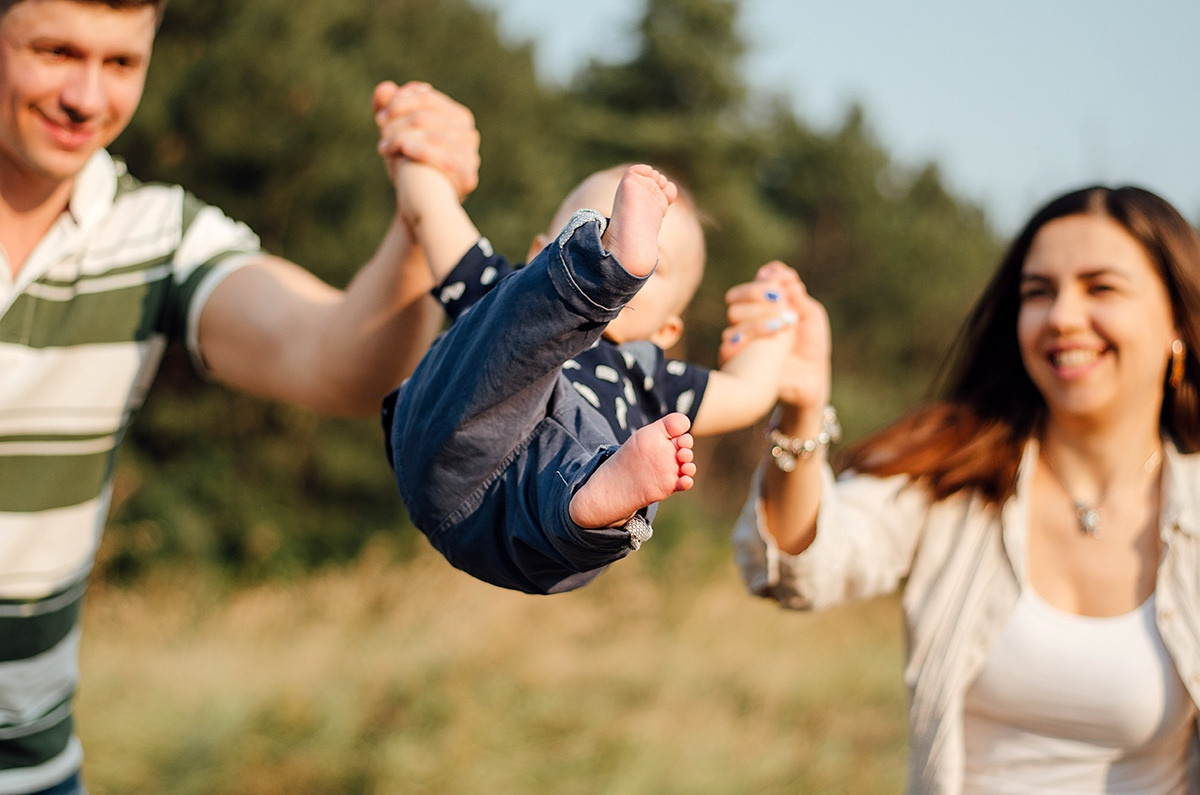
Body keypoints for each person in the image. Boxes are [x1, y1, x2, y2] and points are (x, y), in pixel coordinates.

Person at [0, 0, 481, 792]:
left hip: (37, 773)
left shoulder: (155, 237)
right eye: (55, 52)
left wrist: (415, 222)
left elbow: (337, 360)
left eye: (121, 63)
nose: (87, 97)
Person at [730, 184, 1200, 792]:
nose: (1062, 316)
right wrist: (801, 411)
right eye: (1039, 292)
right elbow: (797, 566)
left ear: (1177, 322)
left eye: (1101, 287)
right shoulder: (950, 471)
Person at [383, 159, 798, 595]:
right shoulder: (501, 290)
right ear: (538, 251)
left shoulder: (653, 378)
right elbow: (434, 212)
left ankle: (600, 498)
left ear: (666, 330)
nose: (610, 236)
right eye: (598, 227)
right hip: (454, 436)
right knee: (511, 322)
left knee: (589, 460)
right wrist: (413, 159)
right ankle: (581, 281)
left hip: (535, 522)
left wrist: (779, 319)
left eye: (655, 263)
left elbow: (749, 392)